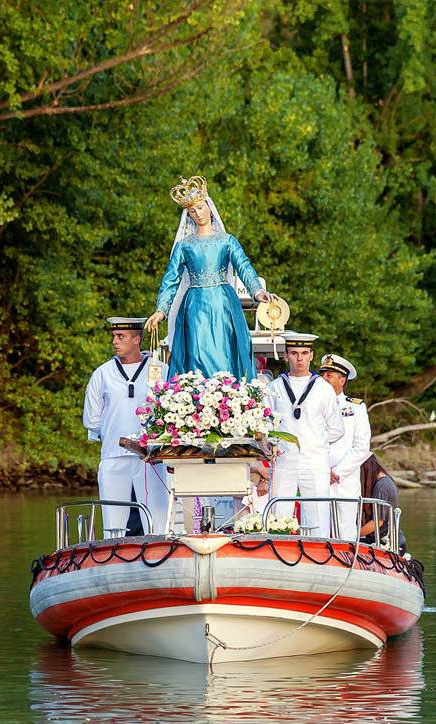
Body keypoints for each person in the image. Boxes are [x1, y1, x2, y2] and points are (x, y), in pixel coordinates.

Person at [145, 176, 275, 381]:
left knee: (226, 349)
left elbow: (243, 266)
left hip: (223, 303)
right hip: (195, 305)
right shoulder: (185, 245)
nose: (198, 213)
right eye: (192, 211)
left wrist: (258, 292)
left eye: (200, 207)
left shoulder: (226, 241)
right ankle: (198, 397)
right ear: (188, 215)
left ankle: (229, 397)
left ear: (209, 205)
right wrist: (162, 310)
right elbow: (171, 280)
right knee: (197, 351)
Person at [82, 317, 169, 536]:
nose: (115, 341)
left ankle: (160, 554)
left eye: (121, 337)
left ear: (137, 339)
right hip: (113, 456)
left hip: (151, 457)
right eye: (113, 336)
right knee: (113, 524)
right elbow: (91, 419)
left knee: (157, 522)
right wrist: (112, 433)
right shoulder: (102, 373)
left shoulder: (161, 370)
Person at [268, 334, 344, 537]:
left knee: (317, 517)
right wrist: (275, 447)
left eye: (304, 353)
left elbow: (336, 428)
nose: (299, 359)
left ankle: (319, 556)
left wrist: (315, 443)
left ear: (311, 355)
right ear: (285, 356)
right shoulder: (274, 387)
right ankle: (278, 552)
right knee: (279, 516)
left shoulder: (323, 388)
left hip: (315, 461)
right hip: (284, 460)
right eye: (294, 353)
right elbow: (266, 427)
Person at [319, 353, 371, 541]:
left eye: (329, 375)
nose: (323, 379)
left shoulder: (356, 408)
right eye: (322, 374)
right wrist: (323, 470)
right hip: (317, 477)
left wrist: (337, 472)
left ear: (342, 380)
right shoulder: (311, 405)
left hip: (344, 482)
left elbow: (362, 447)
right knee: (316, 531)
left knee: (345, 535)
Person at [359, 454, 408, 554]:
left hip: (389, 543)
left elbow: (377, 523)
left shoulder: (382, 487)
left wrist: (352, 535)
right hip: (385, 539)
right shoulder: (384, 482)